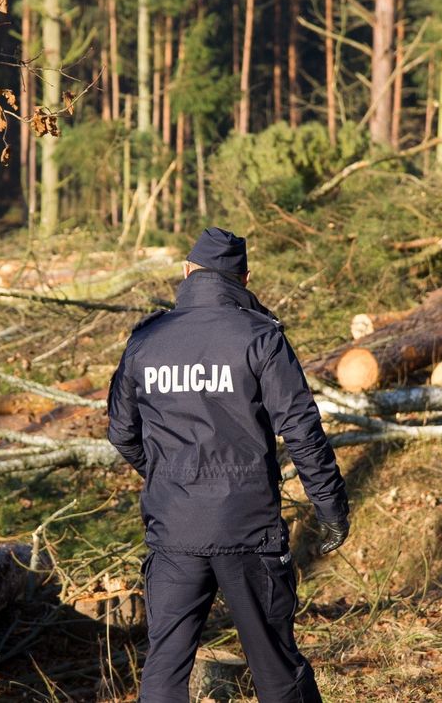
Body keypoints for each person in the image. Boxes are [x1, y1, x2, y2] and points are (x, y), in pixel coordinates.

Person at [107, 227, 349, 703]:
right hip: (247, 527)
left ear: (186, 272)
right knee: (275, 668)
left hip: (174, 528)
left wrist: (169, 479)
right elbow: (301, 429)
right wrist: (330, 506)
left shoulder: (147, 341)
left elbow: (121, 432)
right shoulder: (260, 336)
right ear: (244, 277)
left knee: (165, 671)